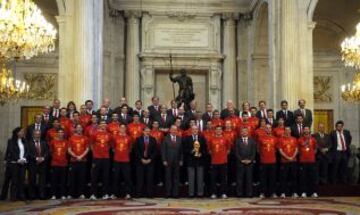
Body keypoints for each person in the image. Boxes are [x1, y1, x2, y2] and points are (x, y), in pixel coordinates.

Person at [3, 127, 28, 201]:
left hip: (23, 163)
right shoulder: (11, 141)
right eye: (22, 131)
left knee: (21, 180)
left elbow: (27, 151)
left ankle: (21, 195)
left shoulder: (25, 141)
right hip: (14, 163)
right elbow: (11, 151)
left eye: (23, 131)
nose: (23, 133)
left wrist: (24, 158)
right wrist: (18, 159)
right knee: (14, 181)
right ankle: (13, 196)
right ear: (17, 133)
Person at [89, 121, 112, 200]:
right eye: (102, 124)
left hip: (106, 158)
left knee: (105, 176)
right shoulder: (94, 134)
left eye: (105, 124)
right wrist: (95, 152)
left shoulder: (109, 135)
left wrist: (104, 151)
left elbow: (109, 145)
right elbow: (91, 145)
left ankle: (104, 194)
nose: (103, 125)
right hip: (96, 158)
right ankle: (93, 194)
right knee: (95, 176)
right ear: (99, 125)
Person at [183, 125, 207, 197]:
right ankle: (191, 193)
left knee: (200, 178)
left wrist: (201, 154)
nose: (195, 131)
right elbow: (184, 149)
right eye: (193, 129)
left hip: (200, 160)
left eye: (196, 129)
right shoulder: (187, 138)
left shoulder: (202, 138)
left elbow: (204, 149)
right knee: (191, 178)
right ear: (191, 130)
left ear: (198, 130)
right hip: (190, 160)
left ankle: (200, 193)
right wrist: (191, 151)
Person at [134, 127, 157, 197]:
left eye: (149, 131)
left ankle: (149, 194)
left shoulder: (153, 139)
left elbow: (155, 151)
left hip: (150, 162)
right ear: (143, 132)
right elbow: (136, 151)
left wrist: (150, 159)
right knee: (140, 179)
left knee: (149, 179)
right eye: (146, 131)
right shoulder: (138, 139)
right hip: (140, 162)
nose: (148, 132)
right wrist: (141, 159)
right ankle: (138, 193)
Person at [68, 124, 90, 199]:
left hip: (83, 160)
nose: (79, 129)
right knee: (72, 178)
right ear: (75, 129)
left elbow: (87, 149)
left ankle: (81, 193)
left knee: (82, 178)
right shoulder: (71, 138)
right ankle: (71, 194)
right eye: (78, 128)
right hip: (73, 161)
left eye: (80, 128)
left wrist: (81, 156)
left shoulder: (85, 138)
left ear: (82, 129)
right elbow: (69, 149)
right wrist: (75, 156)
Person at [111, 124, 133, 199]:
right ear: (119, 128)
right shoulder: (115, 137)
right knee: (116, 177)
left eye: (124, 128)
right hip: (117, 160)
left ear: (125, 129)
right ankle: (115, 194)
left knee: (127, 178)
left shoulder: (129, 138)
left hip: (126, 160)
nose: (122, 129)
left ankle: (128, 193)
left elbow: (130, 148)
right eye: (121, 127)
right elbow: (113, 148)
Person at [161, 125, 183, 198]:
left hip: (177, 161)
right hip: (168, 161)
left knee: (176, 178)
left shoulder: (179, 139)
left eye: (175, 130)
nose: (174, 131)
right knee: (168, 177)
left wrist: (181, 160)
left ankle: (175, 194)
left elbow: (181, 151)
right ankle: (168, 193)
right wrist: (164, 160)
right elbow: (163, 150)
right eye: (172, 129)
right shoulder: (165, 138)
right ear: (170, 130)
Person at [208, 125, 230, 199]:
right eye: (217, 129)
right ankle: (213, 193)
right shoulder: (211, 139)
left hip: (223, 161)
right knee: (213, 178)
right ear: (215, 130)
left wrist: (223, 155)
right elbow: (209, 150)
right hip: (214, 162)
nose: (218, 131)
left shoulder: (225, 138)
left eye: (220, 129)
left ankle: (223, 193)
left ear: (221, 130)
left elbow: (228, 149)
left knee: (223, 178)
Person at [234, 127, 256, 197]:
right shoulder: (237, 141)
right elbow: (236, 152)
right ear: (241, 132)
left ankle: (249, 194)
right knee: (240, 179)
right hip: (240, 162)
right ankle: (239, 194)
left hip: (249, 163)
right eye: (243, 131)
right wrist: (241, 160)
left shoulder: (252, 141)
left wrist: (250, 160)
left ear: (248, 132)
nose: (244, 132)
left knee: (249, 179)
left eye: (245, 131)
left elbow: (254, 152)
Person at [28, 129, 49, 200]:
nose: (37, 135)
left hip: (43, 164)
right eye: (36, 134)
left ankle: (41, 195)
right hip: (33, 164)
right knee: (32, 180)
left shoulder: (44, 142)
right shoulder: (29, 143)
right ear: (33, 135)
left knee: (42, 181)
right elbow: (28, 153)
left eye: (39, 134)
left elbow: (47, 152)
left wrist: (43, 158)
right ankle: (32, 195)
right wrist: (36, 158)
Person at [278, 127, 298, 198]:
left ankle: (294, 192)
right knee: (283, 177)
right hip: (284, 161)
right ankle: (283, 192)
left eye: (289, 130)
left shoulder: (294, 139)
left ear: (290, 131)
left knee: (294, 177)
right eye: (286, 130)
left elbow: (296, 149)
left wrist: (292, 157)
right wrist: (287, 157)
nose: (287, 131)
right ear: (284, 131)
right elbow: (280, 150)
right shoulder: (281, 139)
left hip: (293, 160)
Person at [258, 124, 278, 198]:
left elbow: (276, 149)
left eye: (270, 128)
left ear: (271, 129)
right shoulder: (260, 138)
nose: (268, 129)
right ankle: (262, 192)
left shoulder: (275, 138)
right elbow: (258, 149)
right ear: (265, 129)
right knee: (263, 178)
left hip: (272, 161)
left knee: (272, 178)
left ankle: (272, 192)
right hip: (264, 161)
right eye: (267, 128)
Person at [49, 129, 69, 200]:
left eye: (62, 132)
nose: (61, 133)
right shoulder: (53, 142)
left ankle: (63, 194)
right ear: (57, 133)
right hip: (55, 163)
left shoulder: (66, 142)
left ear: (64, 134)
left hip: (64, 163)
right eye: (59, 132)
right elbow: (51, 152)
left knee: (63, 180)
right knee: (54, 180)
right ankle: (53, 194)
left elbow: (68, 152)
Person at [298, 126, 318, 198]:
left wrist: (311, 154)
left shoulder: (313, 139)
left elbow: (315, 149)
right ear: (303, 131)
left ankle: (313, 192)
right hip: (303, 161)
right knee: (303, 177)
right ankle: (304, 192)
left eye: (307, 129)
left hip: (311, 161)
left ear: (309, 130)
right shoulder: (300, 140)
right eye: (305, 129)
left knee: (312, 177)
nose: (306, 130)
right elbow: (299, 150)